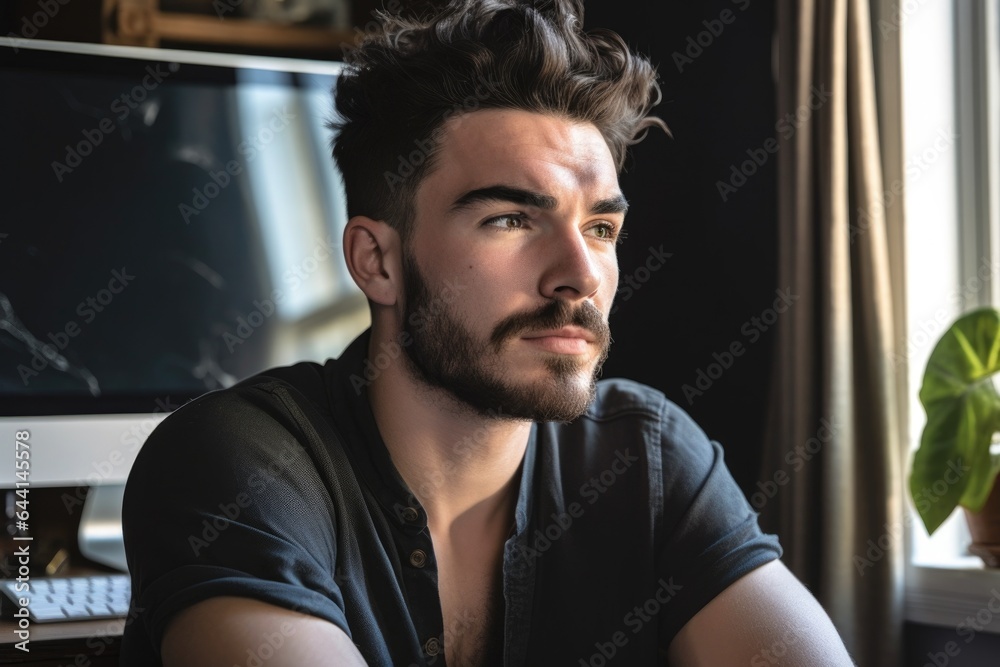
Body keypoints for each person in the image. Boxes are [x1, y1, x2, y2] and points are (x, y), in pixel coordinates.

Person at [121, 0, 856, 665]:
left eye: (600, 227)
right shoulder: (236, 461)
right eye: (511, 219)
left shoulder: (651, 458)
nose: (580, 274)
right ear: (377, 261)